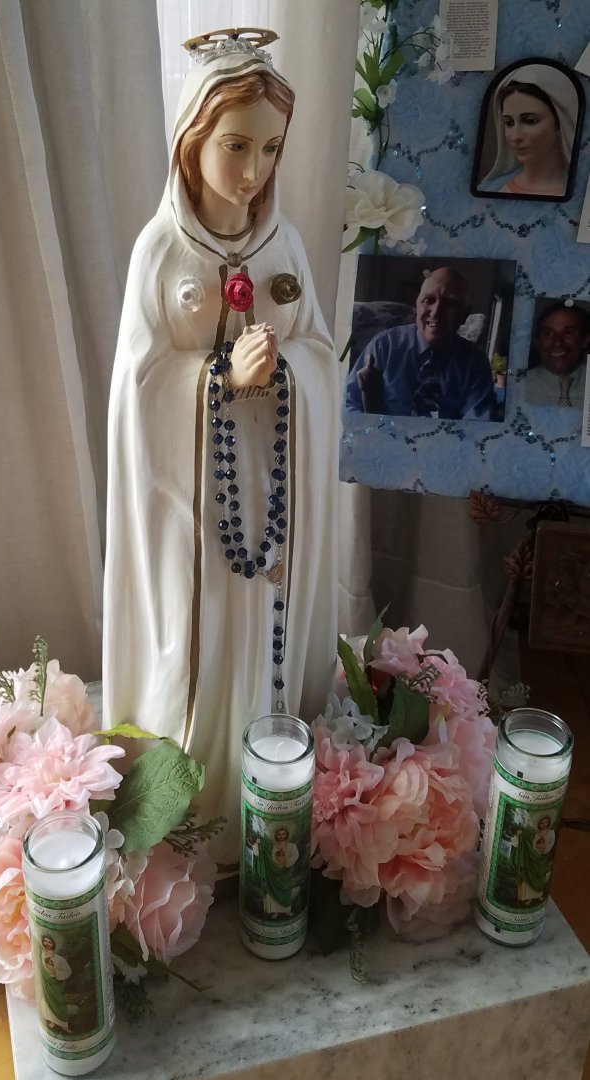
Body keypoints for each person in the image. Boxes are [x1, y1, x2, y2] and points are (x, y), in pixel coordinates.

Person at [102, 31, 338, 867]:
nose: (252, 171)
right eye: (235, 146)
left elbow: (320, 353)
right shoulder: (161, 250)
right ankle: (191, 809)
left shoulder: (286, 244)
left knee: (264, 627)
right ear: (191, 139)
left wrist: (287, 370)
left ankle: (270, 791)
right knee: (197, 634)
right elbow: (136, 386)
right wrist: (216, 377)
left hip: (270, 489)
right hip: (191, 505)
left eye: (269, 149)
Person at [344, 267, 497, 419]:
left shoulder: (475, 363)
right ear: (417, 305)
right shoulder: (384, 345)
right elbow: (348, 404)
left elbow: (479, 423)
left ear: (464, 313)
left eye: (449, 303)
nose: (436, 312)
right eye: (428, 300)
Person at [477, 63, 578, 197]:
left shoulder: (580, 195)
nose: (515, 137)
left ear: (559, 123)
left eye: (530, 121)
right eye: (509, 123)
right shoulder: (492, 189)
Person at [525, 303, 590, 408]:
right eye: (548, 333)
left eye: (568, 333)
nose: (557, 343)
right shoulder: (517, 387)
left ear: (585, 340)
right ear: (537, 341)